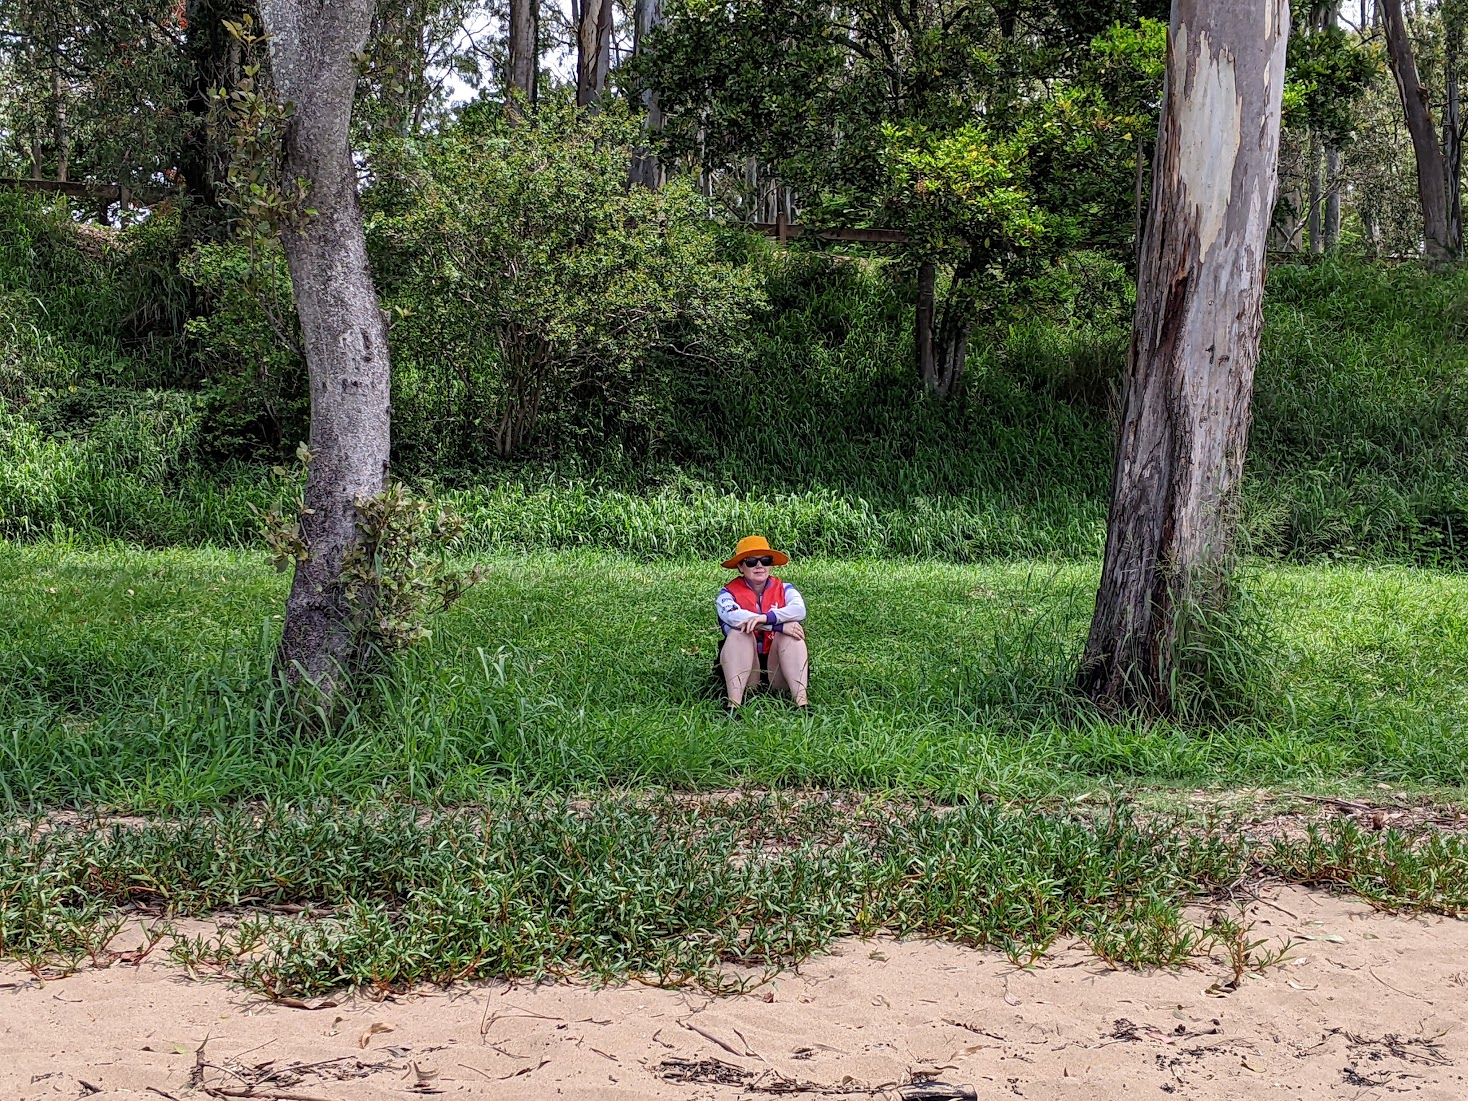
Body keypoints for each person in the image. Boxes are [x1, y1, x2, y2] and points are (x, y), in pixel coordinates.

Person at [715, 536, 809, 712]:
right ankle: (733, 707)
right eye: (751, 561)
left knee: (792, 633)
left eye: (765, 560)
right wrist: (778, 625)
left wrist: (766, 619)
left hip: (777, 663)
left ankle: (802, 704)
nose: (759, 566)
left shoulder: (786, 589)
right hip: (746, 666)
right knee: (739, 632)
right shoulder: (726, 594)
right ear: (740, 567)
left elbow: (799, 610)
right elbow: (734, 617)